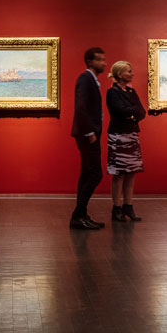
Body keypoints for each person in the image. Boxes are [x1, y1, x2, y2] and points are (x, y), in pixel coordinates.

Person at [69, 47, 107, 230]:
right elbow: (81, 107)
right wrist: (90, 132)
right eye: (100, 60)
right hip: (87, 134)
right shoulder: (85, 79)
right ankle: (78, 215)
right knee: (94, 173)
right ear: (90, 61)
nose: (104, 63)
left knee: (87, 173)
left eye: (104, 59)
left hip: (89, 133)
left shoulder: (92, 80)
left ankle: (81, 215)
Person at [105, 60, 146, 222]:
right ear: (120, 74)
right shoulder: (112, 92)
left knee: (131, 173)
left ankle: (128, 207)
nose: (132, 73)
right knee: (119, 173)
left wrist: (131, 114)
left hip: (132, 134)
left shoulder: (131, 91)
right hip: (118, 136)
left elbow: (141, 112)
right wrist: (131, 113)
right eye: (129, 71)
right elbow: (119, 110)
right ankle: (116, 209)